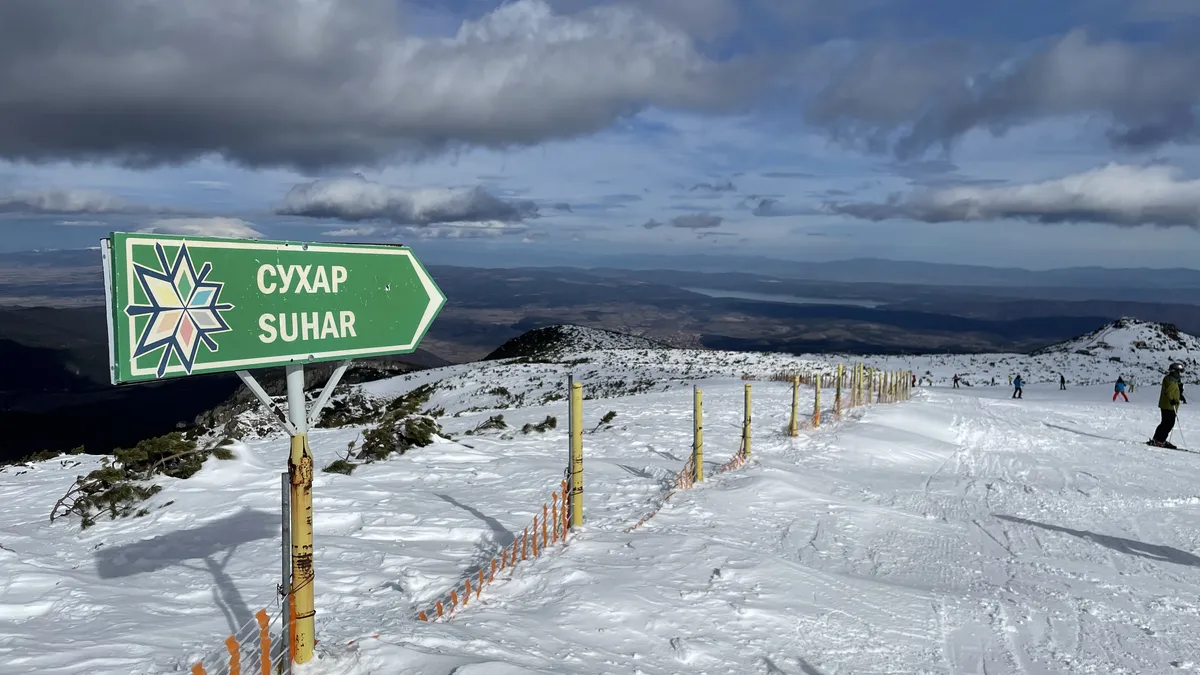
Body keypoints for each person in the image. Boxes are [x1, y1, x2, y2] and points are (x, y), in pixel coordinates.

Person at [1150, 363, 1187, 448]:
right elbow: (1168, 391)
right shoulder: (1170, 379)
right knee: (1168, 424)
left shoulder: (1173, 379)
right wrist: (1172, 400)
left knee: (1165, 423)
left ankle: (1157, 439)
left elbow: (1174, 390)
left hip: (1168, 404)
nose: (1179, 374)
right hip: (1168, 405)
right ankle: (1160, 441)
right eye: (1179, 372)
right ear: (1175, 371)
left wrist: (1179, 393)